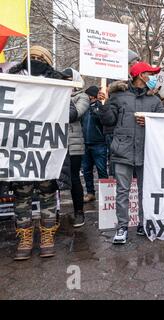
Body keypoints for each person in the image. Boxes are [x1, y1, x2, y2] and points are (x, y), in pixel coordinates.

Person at [8, 46, 74, 260]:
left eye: (40, 58)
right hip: (21, 152)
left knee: (47, 196)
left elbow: (71, 113)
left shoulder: (58, 84)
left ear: (47, 61)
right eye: (32, 57)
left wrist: (65, 99)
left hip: (46, 153)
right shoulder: (11, 81)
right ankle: (25, 238)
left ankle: (47, 236)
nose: (36, 60)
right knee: (22, 197)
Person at [99, 62, 164, 244]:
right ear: (140, 75)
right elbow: (108, 121)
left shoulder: (155, 101)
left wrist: (151, 122)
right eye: (150, 74)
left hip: (146, 153)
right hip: (122, 151)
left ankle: (144, 223)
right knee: (122, 191)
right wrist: (103, 103)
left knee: (146, 191)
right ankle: (122, 227)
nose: (153, 77)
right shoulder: (118, 97)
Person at [62, 68, 90, 228]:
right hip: (57, 143)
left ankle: (79, 212)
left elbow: (73, 115)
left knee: (73, 178)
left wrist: (63, 97)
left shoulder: (82, 97)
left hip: (73, 145)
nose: (65, 83)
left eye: (68, 80)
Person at [81, 86, 109, 203]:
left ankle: (105, 194)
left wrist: (98, 107)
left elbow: (105, 120)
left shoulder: (100, 106)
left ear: (91, 96)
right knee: (86, 170)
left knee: (101, 170)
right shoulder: (83, 108)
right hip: (85, 144)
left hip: (99, 144)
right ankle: (90, 193)